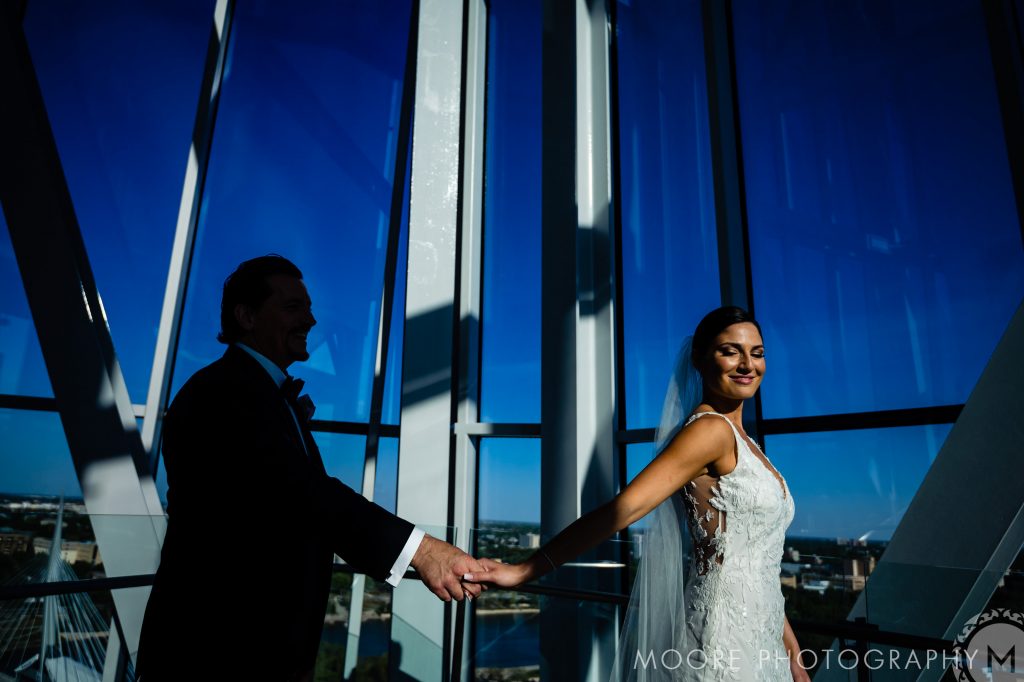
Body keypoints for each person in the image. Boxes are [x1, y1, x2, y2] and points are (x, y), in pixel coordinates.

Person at [137, 255, 485, 681]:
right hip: (215, 650)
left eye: (308, 307)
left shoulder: (261, 396)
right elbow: (304, 494)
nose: (312, 320)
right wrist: (425, 551)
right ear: (246, 316)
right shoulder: (223, 393)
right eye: (293, 307)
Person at [466, 306, 810, 681]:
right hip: (723, 640)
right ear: (699, 359)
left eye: (756, 353)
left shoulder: (749, 443)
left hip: (762, 639)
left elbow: (758, 568)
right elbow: (622, 510)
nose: (747, 364)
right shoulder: (709, 432)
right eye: (730, 351)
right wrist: (523, 570)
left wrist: (790, 651)